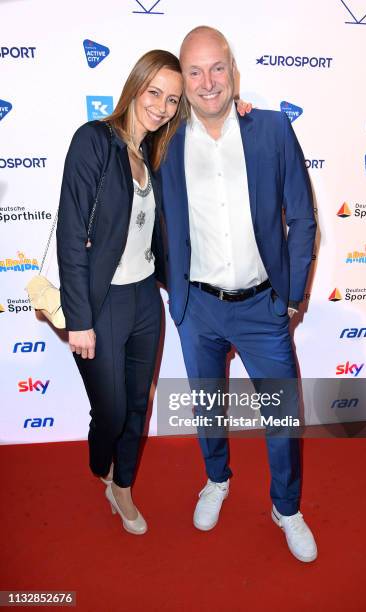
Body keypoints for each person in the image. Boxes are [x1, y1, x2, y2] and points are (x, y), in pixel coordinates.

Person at [160, 27, 318, 562]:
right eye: (195, 71)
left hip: (262, 307)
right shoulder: (164, 143)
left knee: (282, 416)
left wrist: (292, 297)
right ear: (182, 80)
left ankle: (287, 507)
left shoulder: (271, 129)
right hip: (197, 308)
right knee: (208, 408)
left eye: (217, 68)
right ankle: (217, 479)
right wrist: (173, 294)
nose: (208, 82)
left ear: (233, 70)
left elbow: (300, 214)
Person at [56, 50, 184, 535]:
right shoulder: (94, 141)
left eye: (173, 99)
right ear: (135, 87)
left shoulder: (152, 156)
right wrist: (80, 319)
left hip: (145, 302)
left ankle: (123, 487)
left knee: (137, 405)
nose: (163, 106)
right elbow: (72, 233)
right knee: (109, 411)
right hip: (101, 302)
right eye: (155, 92)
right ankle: (100, 467)